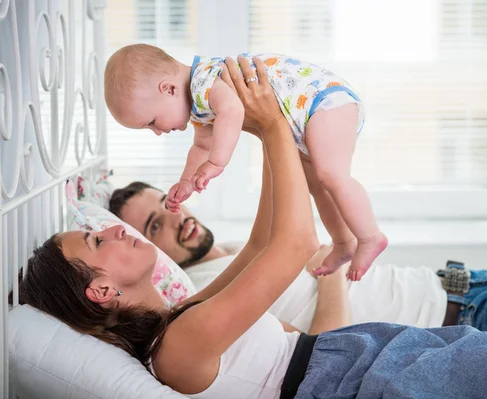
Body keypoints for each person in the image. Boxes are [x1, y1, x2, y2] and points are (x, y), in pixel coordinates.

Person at [23, 56, 487, 399]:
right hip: (366, 378)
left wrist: (271, 136)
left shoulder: (187, 314)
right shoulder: (176, 351)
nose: (119, 233)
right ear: (100, 291)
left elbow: (259, 243)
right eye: (98, 241)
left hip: (373, 357)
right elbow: (295, 244)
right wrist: (274, 127)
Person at [109, 184, 487, 340]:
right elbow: (323, 348)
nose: (176, 220)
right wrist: (331, 272)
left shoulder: (239, 251)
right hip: (467, 320)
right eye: (153, 227)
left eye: (168, 205)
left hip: (470, 281)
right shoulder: (209, 297)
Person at [103, 43, 387, 281]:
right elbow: (202, 144)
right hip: (308, 115)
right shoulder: (199, 107)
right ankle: (344, 241)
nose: (157, 131)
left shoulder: (204, 81)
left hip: (323, 102)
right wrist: (187, 181)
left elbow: (232, 111)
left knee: (331, 174)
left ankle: (370, 235)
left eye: (151, 122)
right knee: (317, 183)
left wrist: (216, 163)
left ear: (168, 89)